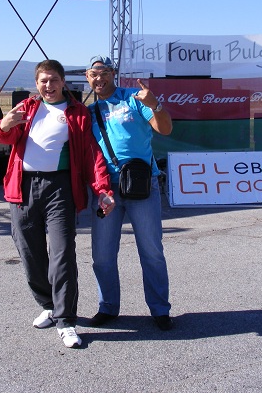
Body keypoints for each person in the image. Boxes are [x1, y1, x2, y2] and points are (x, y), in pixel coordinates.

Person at [0, 59, 115, 348]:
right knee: (29, 251)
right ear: (37, 84)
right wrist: (3, 124)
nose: (49, 86)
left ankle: (66, 321)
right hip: (24, 187)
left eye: (54, 80)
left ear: (63, 82)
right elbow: (4, 135)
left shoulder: (76, 112)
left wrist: (102, 189)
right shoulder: (27, 108)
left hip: (60, 188)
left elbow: (91, 154)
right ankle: (48, 304)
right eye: (43, 81)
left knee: (62, 253)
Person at [85, 55, 174, 331]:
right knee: (102, 254)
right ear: (88, 78)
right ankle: (108, 307)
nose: (99, 78)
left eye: (104, 72)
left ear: (113, 74)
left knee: (151, 251)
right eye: (93, 74)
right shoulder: (89, 112)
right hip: (105, 191)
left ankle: (160, 310)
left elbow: (165, 129)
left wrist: (155, 104)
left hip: (141, 186)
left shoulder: (134, 99)